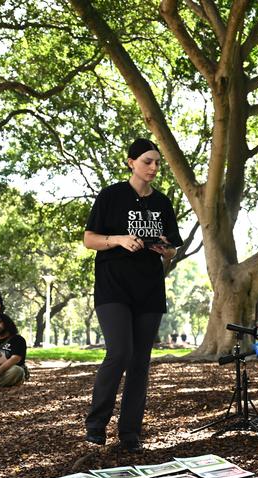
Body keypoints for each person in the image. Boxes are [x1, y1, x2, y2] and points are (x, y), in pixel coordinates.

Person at [82, 138, 180, 452]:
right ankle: (96, 425)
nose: (153, 168)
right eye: (147, 161)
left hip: (150, 289)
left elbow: (172, 249)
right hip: (113, 287)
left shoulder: (162, 203)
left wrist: (164, 248)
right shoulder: (111, 195)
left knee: (140, 361)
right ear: (131, 162)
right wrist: (120, 240)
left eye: (157, 163)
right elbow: (89, 239)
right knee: (120, 353)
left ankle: (130, 433)